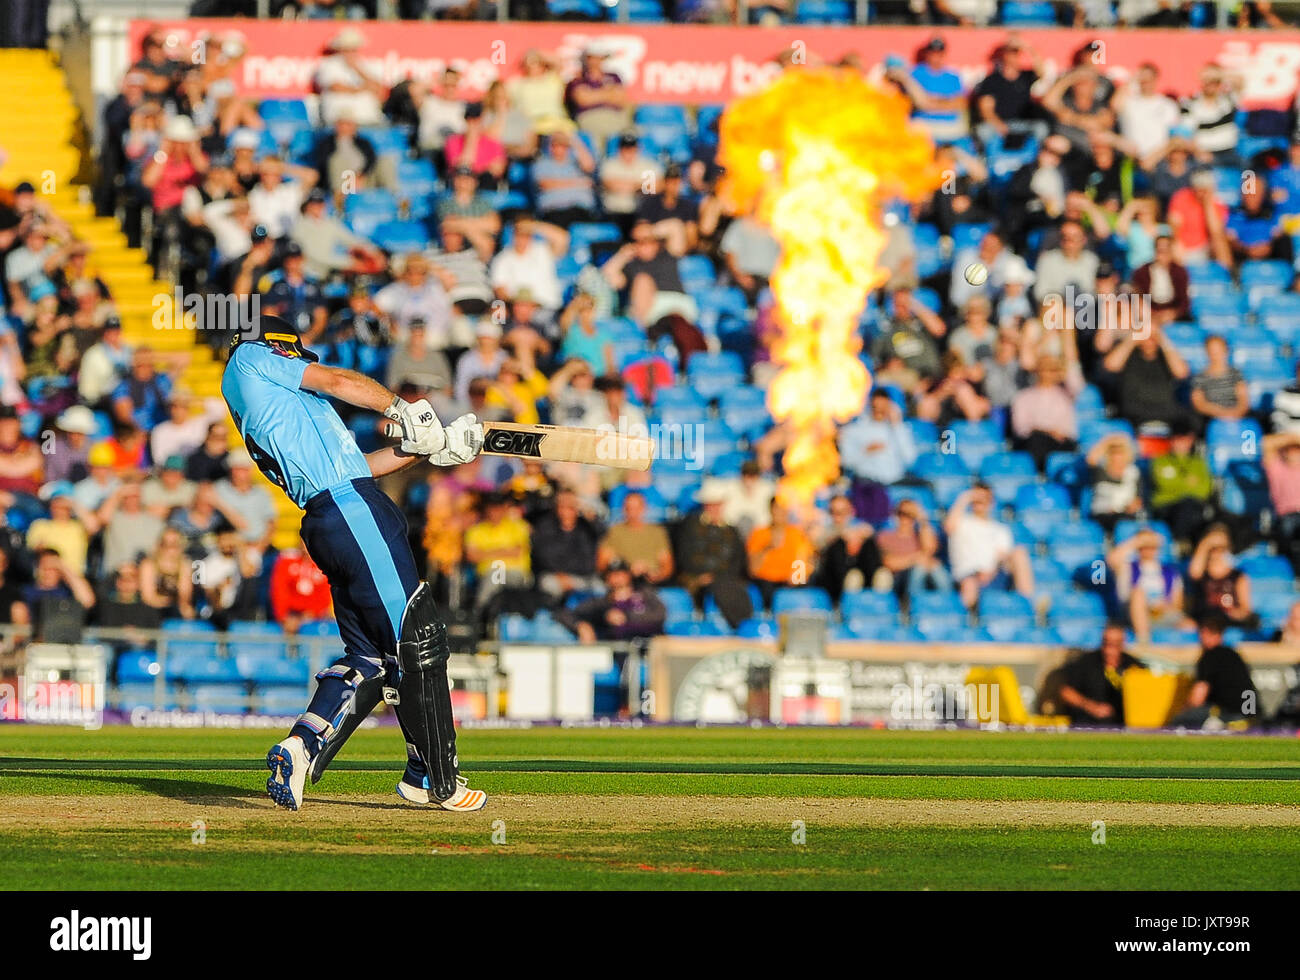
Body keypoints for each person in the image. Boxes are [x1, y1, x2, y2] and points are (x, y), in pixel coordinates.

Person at [220, 314, 486, 813]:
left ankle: (301, 748)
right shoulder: (250, 358)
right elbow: (340, 381)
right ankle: (435, 778)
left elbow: (362, 467)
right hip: (352, 510)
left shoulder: (286, 410)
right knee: (417, 637)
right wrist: (403, 407)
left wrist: (428, 448)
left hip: (336, 511)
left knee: (369, 656)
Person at [675, 482, 753, 628]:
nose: (714, 509)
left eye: (717, 504)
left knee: (729, 587)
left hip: (726, 578)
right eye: (711, 504)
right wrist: (700, 576)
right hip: (696, 578)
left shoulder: (731, 531)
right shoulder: (690, 526)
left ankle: (743, 625)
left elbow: (738, 561)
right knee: (720, 588)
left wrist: (718, 576)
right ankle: (739, 625)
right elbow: (685, 556)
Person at [945, 483, 1034, 610]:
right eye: (977, 499)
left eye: (985, 499)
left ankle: (1028, 606)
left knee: (1020, 553)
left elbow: (1002, 556)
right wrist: (966, 498)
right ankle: (968, 619)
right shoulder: (962, 522)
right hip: (968, 576)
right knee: (969, 584)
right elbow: (949, 527)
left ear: (991, 502)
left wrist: (991, 572)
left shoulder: (1001, 529)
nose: (980, 502)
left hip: (994, 575)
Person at [1171, 612, 1259, 729]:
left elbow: (1198, 697)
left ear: (1205, 632)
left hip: (1227, 715)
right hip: (1251, 713)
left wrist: (1184, 710)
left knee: (1180, 721)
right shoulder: (1234, 655)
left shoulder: (1209, 657)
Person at [555, 559, 667, 643]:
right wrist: (581, 626)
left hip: (650, 649)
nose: (617, 578)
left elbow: (660, 615)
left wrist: (627, 617)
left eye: (621, 573)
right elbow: (564, 614)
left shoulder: (644, 595)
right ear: (607, 579)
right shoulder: (602, 603)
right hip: (619, 655)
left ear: (628, 576)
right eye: (613, 575)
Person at [1058, 622, 1146, 726]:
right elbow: (1066, 692)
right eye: (1107, 643)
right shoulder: (1086, 662)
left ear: (1123, 644)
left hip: (1122, 725)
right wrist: (1091, 707)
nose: (1110, 650)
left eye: (1116, 644)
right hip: (1086, 724)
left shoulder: (1133, 665)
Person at [1107, 529, 1186, 643]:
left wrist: (1163, 606)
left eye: (1152, 546)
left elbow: (1177, 605)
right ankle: (1144, 642)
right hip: (1133, 615)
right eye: (1145, 545)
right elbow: (1112, 559)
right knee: (1138, 593)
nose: (1148, 549)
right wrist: (1139, 541)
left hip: (1161, 614)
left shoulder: (1170, 571)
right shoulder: (1128, 567)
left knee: (1189, 626)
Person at [1149, 421, 1215, 547]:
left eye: (1185, 439)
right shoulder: (1159, 460)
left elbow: (1205, 489)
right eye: (1178, 438)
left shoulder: (1199, 463)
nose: (1182, 443)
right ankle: (1180, 543)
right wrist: (1189, 484)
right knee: (1188, 508)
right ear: (1171, 440)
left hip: (1192, 507)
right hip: (1165, 506)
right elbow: (1163, 484)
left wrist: (1179, 483)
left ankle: (1187, 545)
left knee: (1194, 509)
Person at [746, 498, 816, 609]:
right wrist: (767, 548)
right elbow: (753, 569)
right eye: (777, 509)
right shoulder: (759, 534)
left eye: (783, 509)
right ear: (771, 510)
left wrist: (796, 578)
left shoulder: (797, 534)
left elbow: (806, 560)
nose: (780, 513)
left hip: (790, 583)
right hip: (766, 583)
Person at [1186, 526, 1258, 631]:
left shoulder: (1238, 576)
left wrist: (1231, 613)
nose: (1216, 553)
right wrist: (1206, 543)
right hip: (1204, 620)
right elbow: (1194, 572)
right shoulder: (1201, 575)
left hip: (1228, 620)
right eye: (1213, 549)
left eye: (1221, 548)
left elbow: (1245, 609)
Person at [598, 490, 673, 585]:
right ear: (623, 509)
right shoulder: (614, 532)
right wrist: (626, 571)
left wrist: (654, 574)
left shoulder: (657, 532)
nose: (632, 512)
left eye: (636, 508)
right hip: (623, 583)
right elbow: (602, 564)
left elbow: (667, 566)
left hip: (651, 583)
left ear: (644, 508)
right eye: (629, 508)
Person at [1086, 433, 1143, 534]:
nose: (1117, 457)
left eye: (1120, 453)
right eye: (1113, 453)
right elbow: (1091, 459)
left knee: (1126, 522)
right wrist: (1108, 441)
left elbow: (1138, 500)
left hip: (1125, 515)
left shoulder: (1133, 473)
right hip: (1102, 514)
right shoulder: (1100, 471)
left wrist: (1130, 506)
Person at [1263, 431, 1300, 574]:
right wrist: (1293, 437)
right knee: (1288, 537)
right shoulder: (1277, 468)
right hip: (1286, 516)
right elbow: (1266, 443)